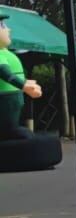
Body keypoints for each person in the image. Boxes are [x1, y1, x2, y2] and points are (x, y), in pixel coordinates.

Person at [0, 13, 42, 141]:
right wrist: (23, 85)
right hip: (5, 101)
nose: (8, 29)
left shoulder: (5, 52)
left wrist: (24, 82)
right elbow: (4, 72)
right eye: (2, 25)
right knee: (10, 131)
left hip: (11, 101)